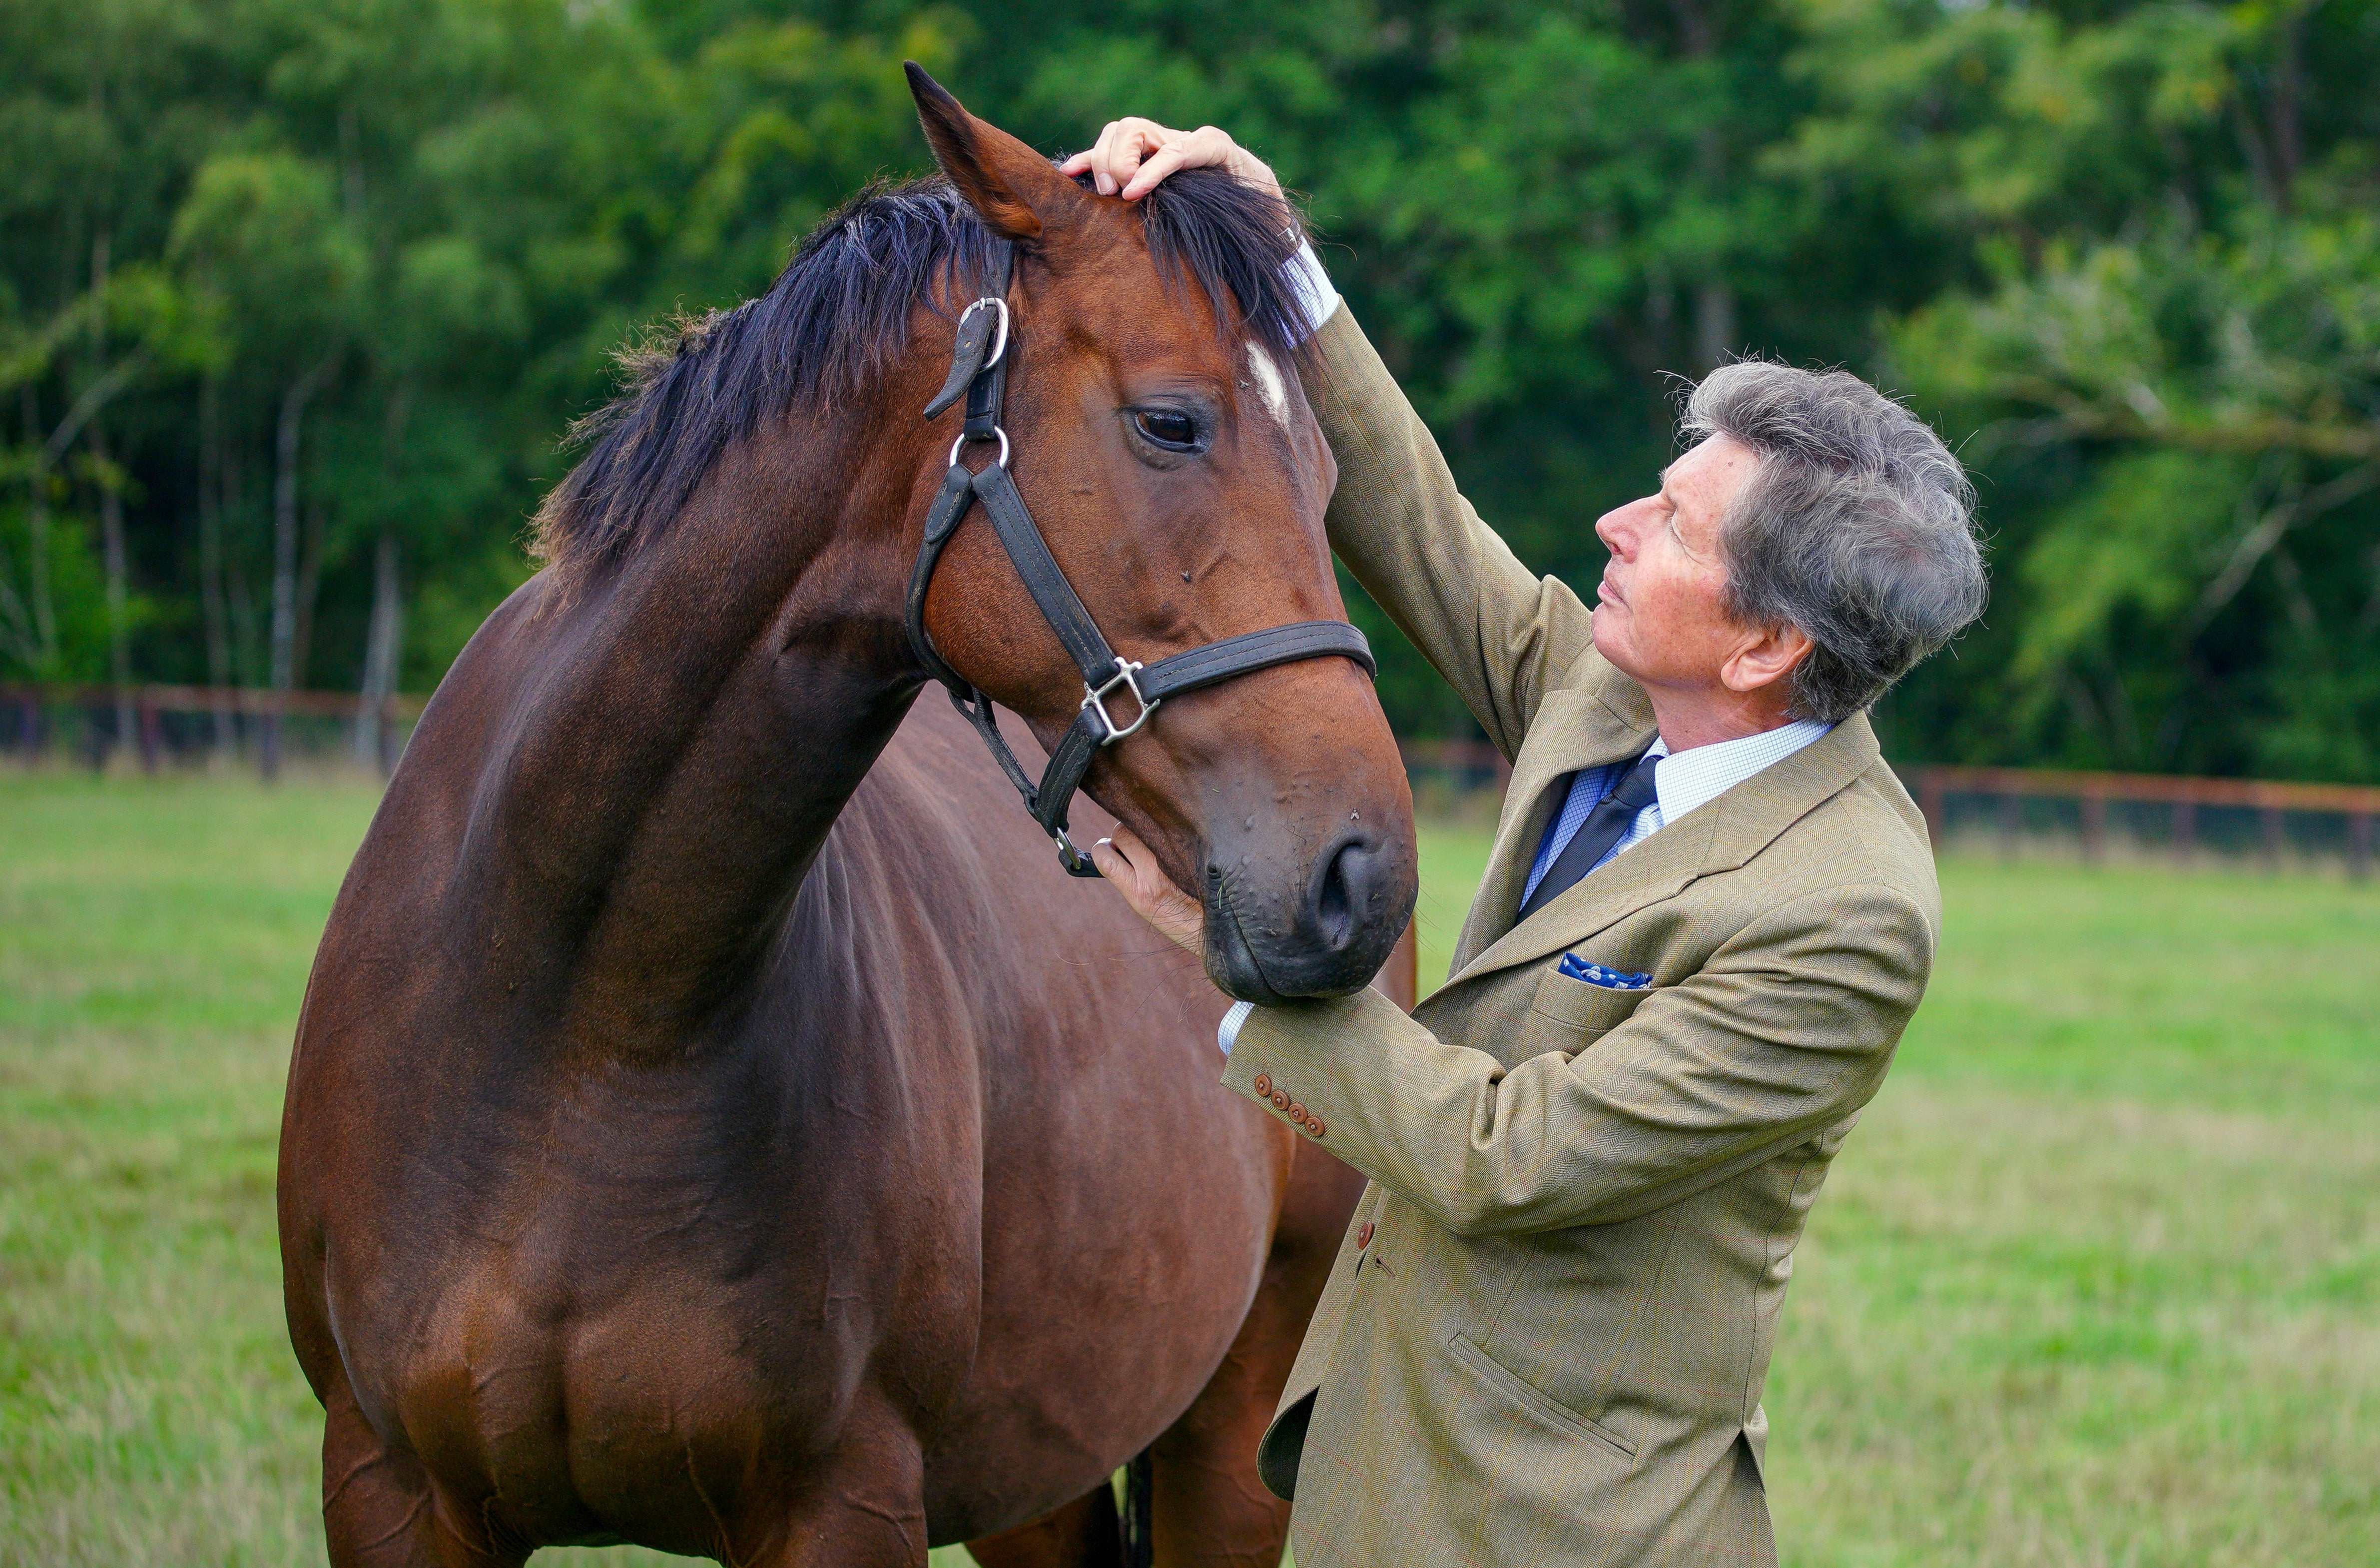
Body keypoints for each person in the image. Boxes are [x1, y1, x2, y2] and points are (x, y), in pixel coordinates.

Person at [1070, 120, 1989, 1567]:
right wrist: (1271, 246)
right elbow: (1424, 526)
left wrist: (1224, 964)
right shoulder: (1617, 692)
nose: (1616, 524)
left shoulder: (1844, 911)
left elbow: (1516, 1156)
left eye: (1674, 525)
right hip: (1385, 1455)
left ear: (1762, 641)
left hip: (1560, 1519)